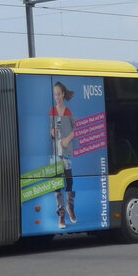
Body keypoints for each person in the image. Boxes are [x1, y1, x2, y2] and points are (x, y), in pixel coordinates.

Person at [50, 81, 77, 228]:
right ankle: (61, 214)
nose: (57, 97)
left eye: (59, 94)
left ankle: (70, 207)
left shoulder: (68, 112)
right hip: (55, 153)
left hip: (66, 152)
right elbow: (50, 129)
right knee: (57, 184)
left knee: (69, 181)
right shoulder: (52, 112)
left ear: (63, 95)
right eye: (55, 95)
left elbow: (76, 130)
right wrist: (52, 132)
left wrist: (67, 139)